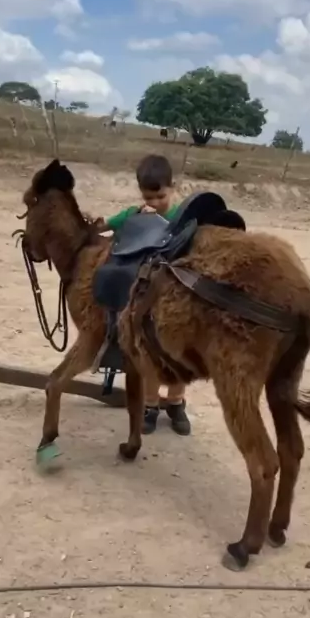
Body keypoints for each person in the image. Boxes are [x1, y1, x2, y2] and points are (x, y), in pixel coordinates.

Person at [97, 154, 191, 437]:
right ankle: (150, 405)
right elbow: (107, 226)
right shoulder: (135, 214)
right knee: (150, 355)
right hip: (147, 299)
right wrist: (95, 224)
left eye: (160, 196)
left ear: (173, 187)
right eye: (149, 197)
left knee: (180, 355)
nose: (155, 202)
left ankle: (175, 403)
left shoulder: (184, 216)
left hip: (176, 299)